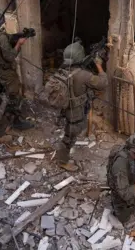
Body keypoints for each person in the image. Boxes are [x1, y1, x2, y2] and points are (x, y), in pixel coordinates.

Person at [54, 41, 108, 172]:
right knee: (70, 136)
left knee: (71, 130)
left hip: (67, 107)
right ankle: (62, 161)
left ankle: (63, 154)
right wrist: (99, 66)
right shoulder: (84, 75)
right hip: (76, 110)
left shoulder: (63, 69)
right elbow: (103, 83)